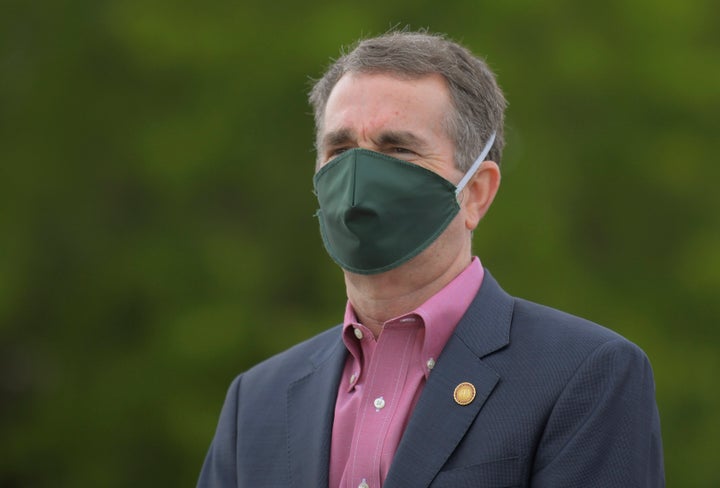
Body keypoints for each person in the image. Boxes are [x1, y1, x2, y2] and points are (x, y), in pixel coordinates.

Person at [197, 30, 665, 487]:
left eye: (397, 149)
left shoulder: (584, 376)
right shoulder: (257, 402)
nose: (358, 178)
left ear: (476, 193)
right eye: (339, 150)